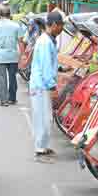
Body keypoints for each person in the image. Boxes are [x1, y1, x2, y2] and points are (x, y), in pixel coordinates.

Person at [29, 11, 64, 163]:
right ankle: (40, 150)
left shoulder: (49, 40)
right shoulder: (45, 42)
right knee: (42, 118)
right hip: (41, 85)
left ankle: (43, 146)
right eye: (61, 26)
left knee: (46, 118)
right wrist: (52, 87)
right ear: (54, 25)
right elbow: (45, 67)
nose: (61, 30)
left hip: (42, 84)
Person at [0, 6, 24, 106]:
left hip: (0, 57)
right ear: (9, 15)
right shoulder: (16, 26)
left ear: (0, 15)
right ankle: (12, 98)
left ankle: (4, 100)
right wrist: (22, 56)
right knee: (12, 78)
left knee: (1, 78)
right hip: (13, 56)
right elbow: (20, 42)